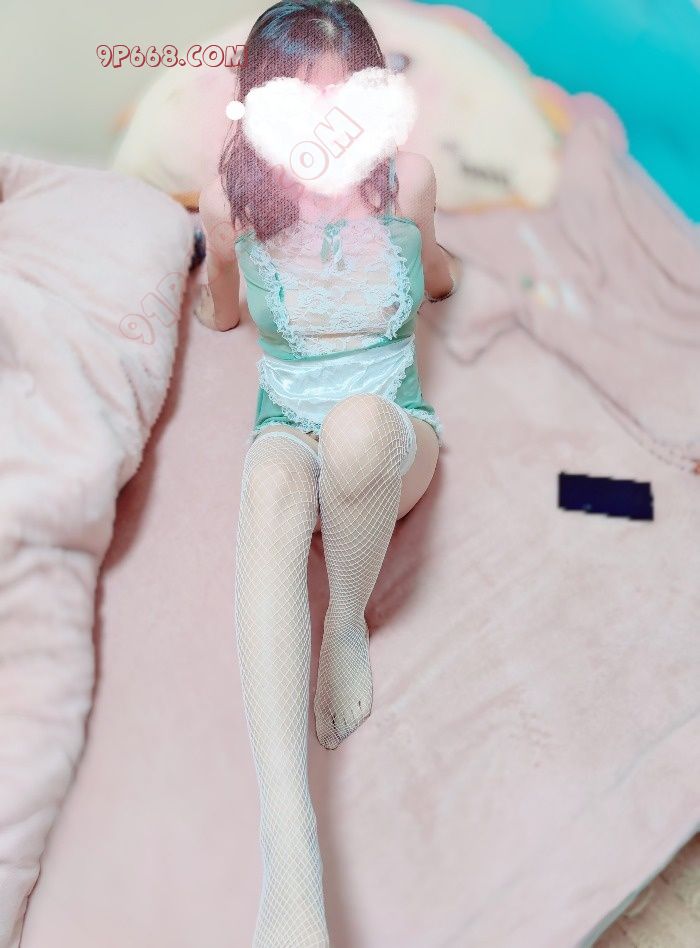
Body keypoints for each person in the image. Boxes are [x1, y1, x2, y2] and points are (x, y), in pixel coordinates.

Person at [196, 2, 461, 943]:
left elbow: (434, 272)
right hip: (286, 424)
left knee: (355, 429)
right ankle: (290, 850)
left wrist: (442, 273)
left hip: (391, 433)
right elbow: (222, 305)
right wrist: (214, 289)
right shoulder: (232, 203)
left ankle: (344, 620)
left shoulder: (408, 180)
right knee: (272, 483)